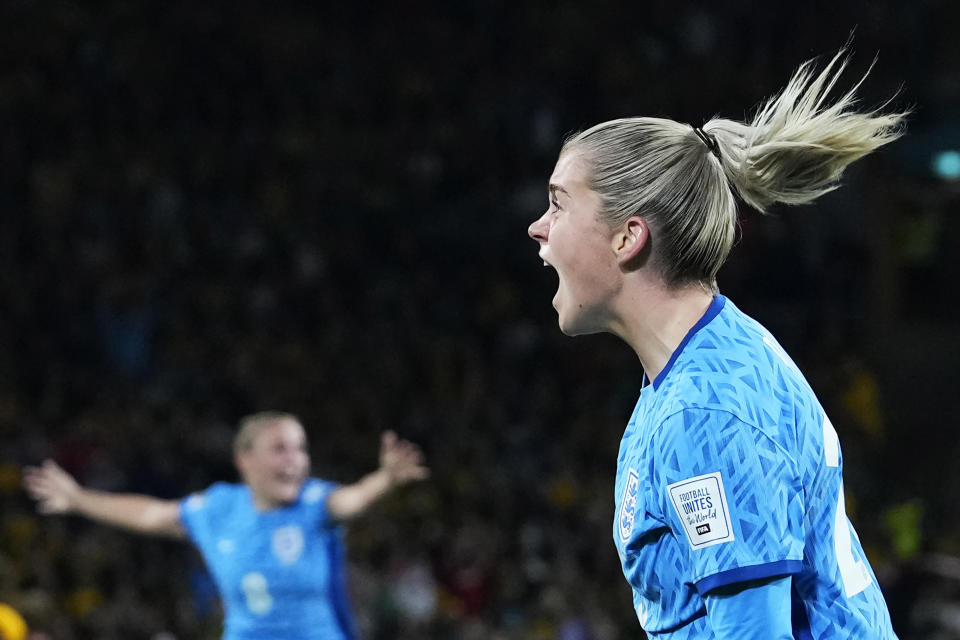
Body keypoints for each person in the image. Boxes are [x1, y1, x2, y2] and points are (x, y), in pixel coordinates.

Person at [527, 50, 906, 639]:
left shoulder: (706, 413)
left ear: (628, 237)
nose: (538, 226)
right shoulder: (715, 355)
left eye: (558, 202)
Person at [23, 411, 429, 640]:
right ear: (245, 460)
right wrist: (79, 499)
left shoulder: (313, 503)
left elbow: (351, 500)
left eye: (300, 449)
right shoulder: (219, 509)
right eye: (280, 448)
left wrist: (385, 479)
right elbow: (150, 515)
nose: (295, 460)